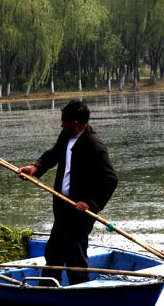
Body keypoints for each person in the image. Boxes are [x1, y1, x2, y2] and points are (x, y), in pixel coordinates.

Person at [19, 100, 118, 285]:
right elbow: (53, 154)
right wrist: (35, 167)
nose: (61, 124)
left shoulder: (94, 145)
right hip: (63, 207)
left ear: (75, 123)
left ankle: (80, 294)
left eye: (64, 121)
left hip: (80, 213)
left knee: (75, 260)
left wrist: (90, 203)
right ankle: (47, 292)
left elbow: (110, 180)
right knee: (54, 253)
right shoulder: (66, 135)